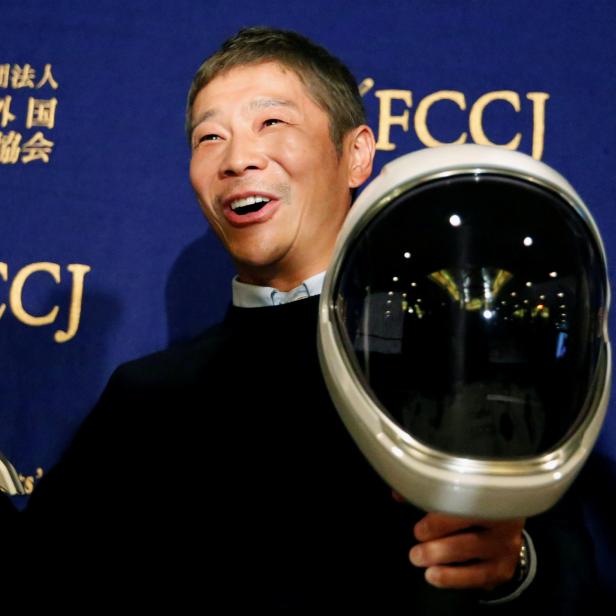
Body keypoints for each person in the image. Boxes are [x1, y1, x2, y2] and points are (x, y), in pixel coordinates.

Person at [2, 27, 596, 613]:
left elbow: (574, 566)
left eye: (272, 123)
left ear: (356, 153)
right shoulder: (146, 397)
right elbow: (42, 578)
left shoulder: (457, 354)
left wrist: (513, 565)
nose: (237, 159)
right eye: (209, 138)